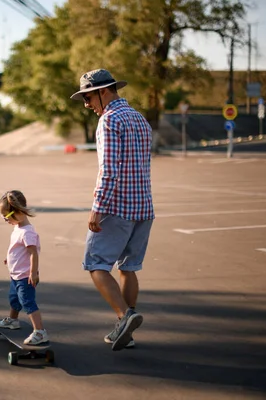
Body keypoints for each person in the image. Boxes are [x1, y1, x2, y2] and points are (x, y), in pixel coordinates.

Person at [70, 69, 155, 351]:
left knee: (95, 264)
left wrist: (97, 208)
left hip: (116, 207)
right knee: (128, 268)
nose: (86, 104)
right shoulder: (140, 119)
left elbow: (109, 170)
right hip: (143, 207)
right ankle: (126, 332)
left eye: (88, 96)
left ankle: (124, 317)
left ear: (104, 91)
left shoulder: (109, 121)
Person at [0, 190, 49, 345]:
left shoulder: (27, 232)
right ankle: (13, 320)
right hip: (16, 274)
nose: (4, 219)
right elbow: (18, 249)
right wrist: (10, 258)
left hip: (26, 276)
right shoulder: (18, 228)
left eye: (6, 216)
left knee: (27, 302)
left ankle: (40, 332)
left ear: (18, 211)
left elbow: (33, 253)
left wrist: (33, 273)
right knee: (14, 299)